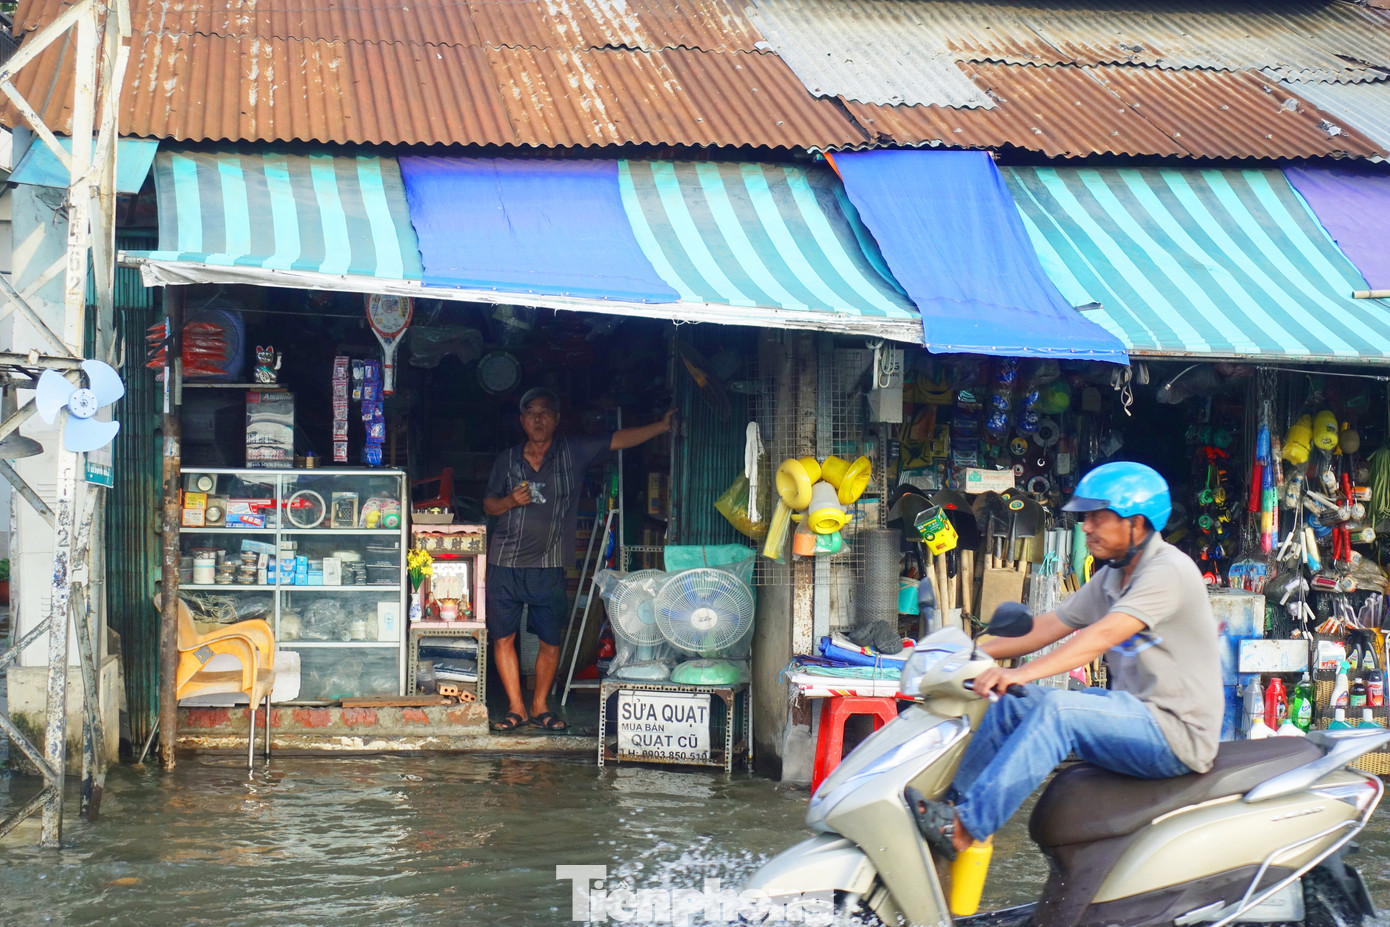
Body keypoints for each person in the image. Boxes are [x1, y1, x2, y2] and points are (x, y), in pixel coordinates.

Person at [908, 461, 1222, 860]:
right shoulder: (1112, 576)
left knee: (1059, 710)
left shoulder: (1168, 571)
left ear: (1137, 522)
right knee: (1013, 703)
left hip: (1177, 734)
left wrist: (1021, 672)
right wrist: (969, 651)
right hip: (1133, 711)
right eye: (1086, 518)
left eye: (1097, 518)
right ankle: (952, 809)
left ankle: (965, 829)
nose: (1086, 527)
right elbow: (1049, 625)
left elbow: (1101, 636)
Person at [482, 387, 674, 733]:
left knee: (550, 641)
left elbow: (617, 440)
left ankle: (539, 706)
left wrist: (660, 427)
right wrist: (510, 501)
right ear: (522, 421)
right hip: (503, 563)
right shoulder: (507, 460)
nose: (537, 419)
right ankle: (516, 708)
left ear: (556, 419)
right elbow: (489, 505)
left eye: (544, 412)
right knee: (503, 637)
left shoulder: (573, 452)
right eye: (531, 413)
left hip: (549, 565)